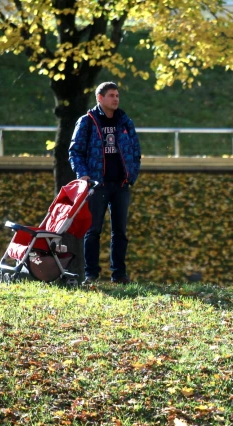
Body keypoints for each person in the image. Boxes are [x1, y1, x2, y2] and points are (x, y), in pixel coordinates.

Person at [69, 82, 141, 284]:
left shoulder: (125, 122)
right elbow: (75, 151)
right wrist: (82, 174)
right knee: (93, 231)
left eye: (117, 95)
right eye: (111, 95)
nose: (116, 99)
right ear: (99, 98)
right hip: (96, 186)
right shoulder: (87, 122)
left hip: (120, 185)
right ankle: (91, 274)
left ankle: (118, 274)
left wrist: (131, 175)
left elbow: (136, 152)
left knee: (120, 232)